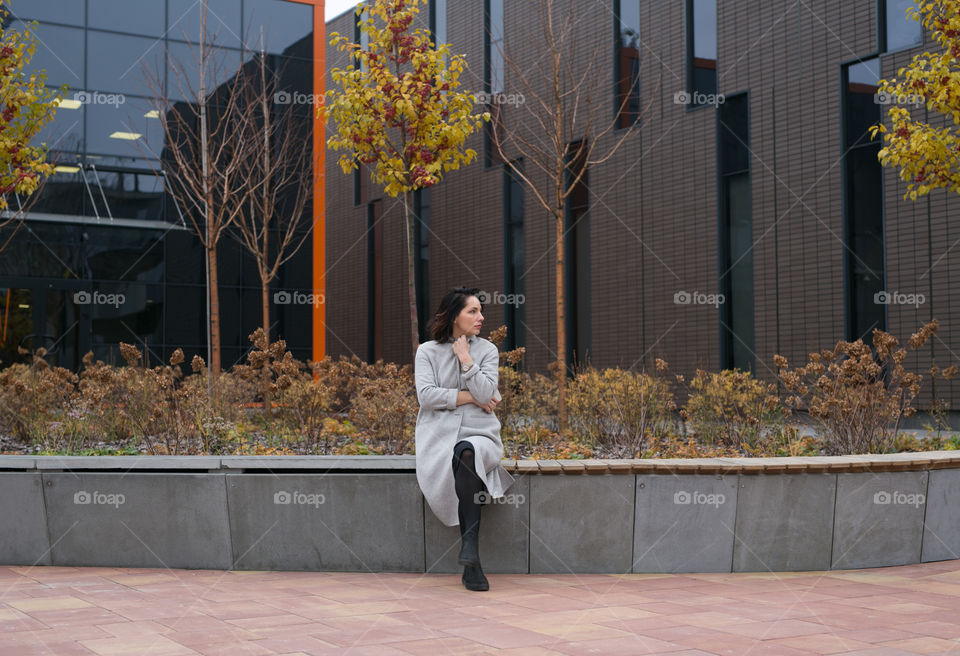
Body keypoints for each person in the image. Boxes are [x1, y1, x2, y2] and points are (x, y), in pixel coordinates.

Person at [414, 286, 515, 591]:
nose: (480, 317)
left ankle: (470, 548)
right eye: (472, 311)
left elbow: (489, 396)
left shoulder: (486, 351)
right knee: (462, 454)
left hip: (481, 434)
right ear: (454, 316)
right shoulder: (427, 352)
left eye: (480, 310)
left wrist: (466, 359)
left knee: (469, 451)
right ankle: (472, 563)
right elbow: (427, 397)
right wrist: (472, 396)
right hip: (439, 436)